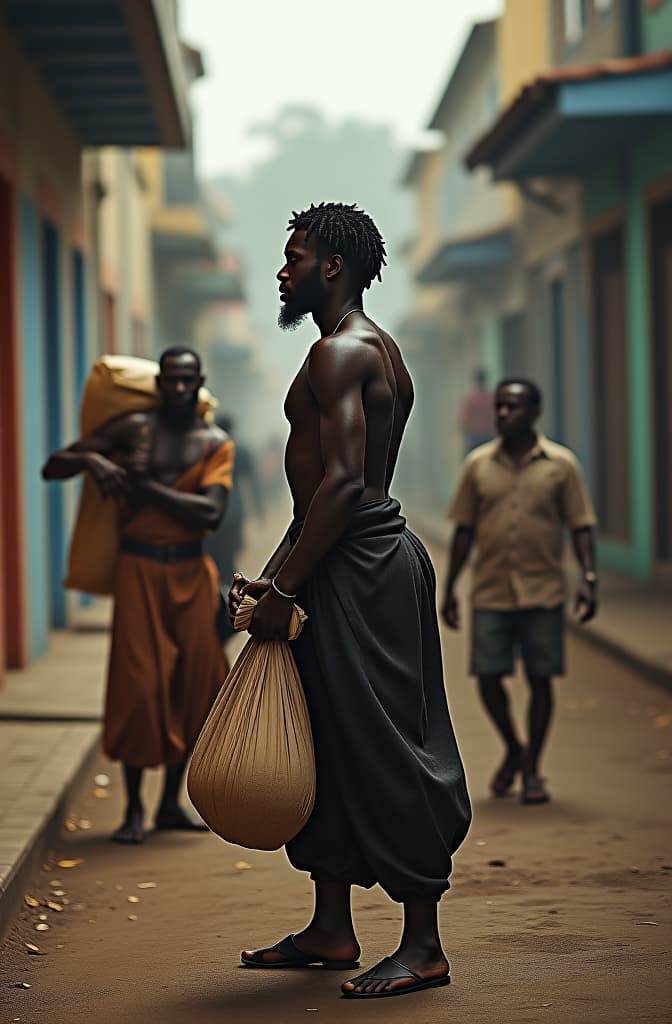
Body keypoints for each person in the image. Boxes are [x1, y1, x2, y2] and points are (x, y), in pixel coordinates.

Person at [228, 202, 471, 1000]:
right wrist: (276, 573)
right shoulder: (360, 348)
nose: (282, 269)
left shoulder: (344, 352)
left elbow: (341, 484)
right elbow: (318, 498)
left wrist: (287, 586)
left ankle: (424, 944)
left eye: (293, 255)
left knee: (386, 744)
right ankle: (331, 926)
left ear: (332, 266)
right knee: (327, 739)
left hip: (363, 567)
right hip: (341, 558)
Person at [42, 348, 233, 844]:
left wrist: (145, 489)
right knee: (140, 685)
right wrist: (90, 459)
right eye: (170, 380)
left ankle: (169, 804)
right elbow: (53, 467)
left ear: (199, 382)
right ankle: (131, 810)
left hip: (191, 574)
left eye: (187, 380)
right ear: (159, 384)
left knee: (196, 684)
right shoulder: (132, 430)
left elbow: (209, 514)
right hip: (139, 571)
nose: (178, 389)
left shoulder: (215, 442)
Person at [442, 379, 598, 805]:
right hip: (491, 589)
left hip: (543, 591)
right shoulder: (477, 466)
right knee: (488, 677)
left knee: (540, 679)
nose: (504, 414)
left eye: (513, 406)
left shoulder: (562, 466)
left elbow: (581, 525)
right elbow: (463, 530)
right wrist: (451, 586)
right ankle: (514, 745)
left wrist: (588, 578)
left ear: (534, 412)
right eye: (499, 406)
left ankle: (532, 768)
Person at [205, 414, 263, 642]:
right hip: (234, 511)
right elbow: (253, 483)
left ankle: (216, 605)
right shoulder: (241, 451)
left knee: (213, 560)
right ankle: (231, 608)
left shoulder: (211, 447)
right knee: (228, 560)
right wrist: (259, 508)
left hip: (215, 514)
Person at [458, 368, 493, 455]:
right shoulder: (491, 398)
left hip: (475, 439)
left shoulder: (471, 400)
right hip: (489, 438)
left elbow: (464, 423)